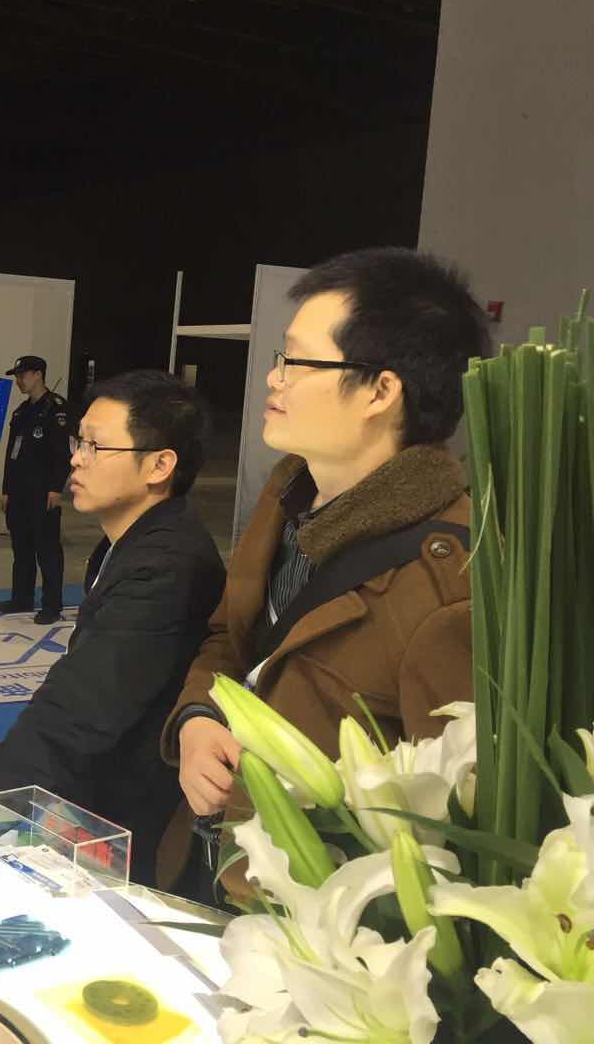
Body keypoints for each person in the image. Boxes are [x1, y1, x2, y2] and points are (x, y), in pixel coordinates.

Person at [157, 247, 492, 900]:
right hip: (214, 859)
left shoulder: (451, 587)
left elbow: (458, 831)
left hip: (309, 921)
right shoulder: (289, 498)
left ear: (380, 391)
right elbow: (231, 639)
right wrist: (197, 718)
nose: (273, 379)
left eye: (296, 361)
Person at [0, 372, 226, 887]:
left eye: (95, 446)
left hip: (138, 826)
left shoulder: (166, 565)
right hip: (106, 793)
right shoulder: (128, 545)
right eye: (79, 443)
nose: (76, 459)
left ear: (160, 465)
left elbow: (85, 702)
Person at [0, 354, 71, 625]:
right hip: (19, 491)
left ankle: (51, 604)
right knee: (22, 547)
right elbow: (12, 454)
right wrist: (6, 489)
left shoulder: (56, 409)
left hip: (43, 490)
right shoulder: (21, 412)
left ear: (38, 374)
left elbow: (63, 453)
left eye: (23, 375)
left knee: (47, 549)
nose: (19, 380)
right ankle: (22, 597)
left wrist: (56, 488)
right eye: (17, 376)